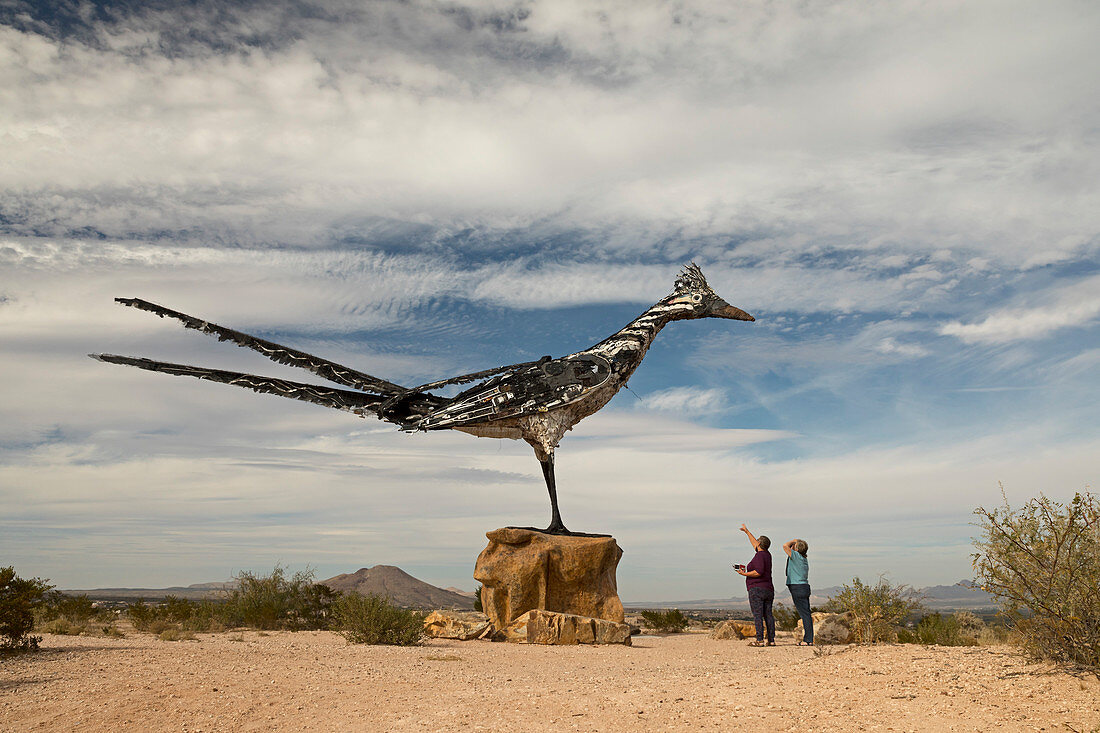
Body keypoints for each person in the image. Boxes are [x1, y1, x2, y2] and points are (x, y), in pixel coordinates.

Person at [733, 523, 774, 646]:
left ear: (760, 544)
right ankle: (771, 640)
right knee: (768, 615)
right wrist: (747, 532)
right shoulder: (767, 554)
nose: (755, 543)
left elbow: (758, 572)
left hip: (757, 589)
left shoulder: (760, 556)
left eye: (757, 542)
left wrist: (744, 574)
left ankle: (760, 640)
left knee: (757, 615)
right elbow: (754, 543)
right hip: (768, 589)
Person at [783, 538, 813, 646]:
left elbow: (784, 546)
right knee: (806, 613)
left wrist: (795, 540)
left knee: (805, 615)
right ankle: (808, 638)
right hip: (804, 587)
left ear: (796, 549)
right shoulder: (803, 559)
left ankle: (808, 639)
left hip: (798, 587)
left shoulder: (796, 557)